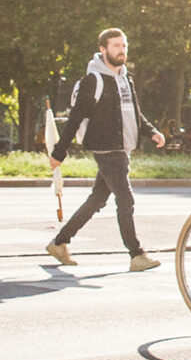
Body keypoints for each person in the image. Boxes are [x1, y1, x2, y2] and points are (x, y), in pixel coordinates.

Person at [45, 27, 164, 270]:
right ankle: (136, 254)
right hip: (105, 148)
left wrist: (151, 131)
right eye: (116, 46)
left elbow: (135, 114)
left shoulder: (125, 78)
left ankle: (60, 242)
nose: (122, 50)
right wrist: (59, 152)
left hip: (121, 148)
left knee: (98, 199)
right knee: (126, 199)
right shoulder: (94, 80)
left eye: (124, 46)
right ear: (103, 49)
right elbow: (75, 117)